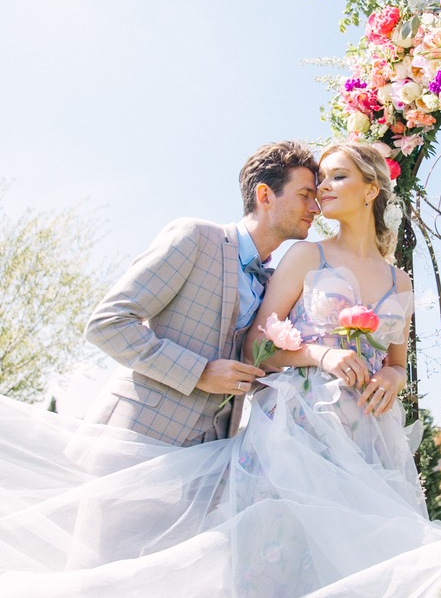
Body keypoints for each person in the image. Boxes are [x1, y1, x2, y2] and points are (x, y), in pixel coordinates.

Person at [0, 143, 441, 598]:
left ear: (372, 189)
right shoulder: (213, 241)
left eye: (332, 179)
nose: (318, 196)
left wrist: (392, 374)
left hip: (232, 462)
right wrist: (252, 364)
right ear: (266, 195)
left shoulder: (311, 271)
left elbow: (376, 355)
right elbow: (121, 324)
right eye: (308, 187)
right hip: (146, 443)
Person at [84, 139, 319, 445]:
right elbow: (108, 324)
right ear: (265, 195)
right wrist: (200, 372)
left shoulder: (276, 285)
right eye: (305, 196)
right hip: (135, 435)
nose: (316, 209)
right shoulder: (196, 237)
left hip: (211, 455)